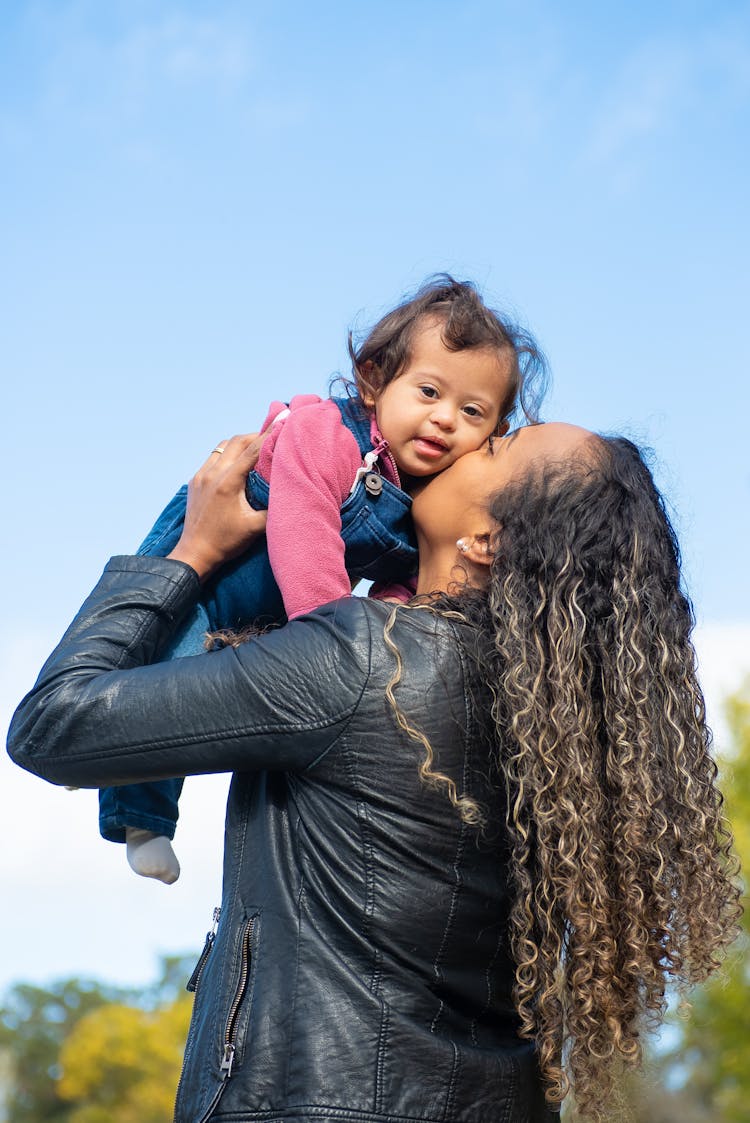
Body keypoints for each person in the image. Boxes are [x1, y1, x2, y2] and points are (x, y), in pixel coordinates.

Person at [8, 424, 740, 1123]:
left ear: (486, 540)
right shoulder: (560, 738)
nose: (457, 439)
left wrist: (190, 553)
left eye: (495, 444)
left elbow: (55, 723)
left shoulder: (366, 659)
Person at [101, 275, 547, 885]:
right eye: (428, 391)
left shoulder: (414, 498)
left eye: (471, 412)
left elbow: (401, 581)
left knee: (204, 684)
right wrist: (334, 636)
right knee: (164, 669)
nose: (444, 419)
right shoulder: (327, 434)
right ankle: (140, 817)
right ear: (372, 382)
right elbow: (303, 527)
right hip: (222, 568)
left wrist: (394, 633)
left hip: (275, 610)